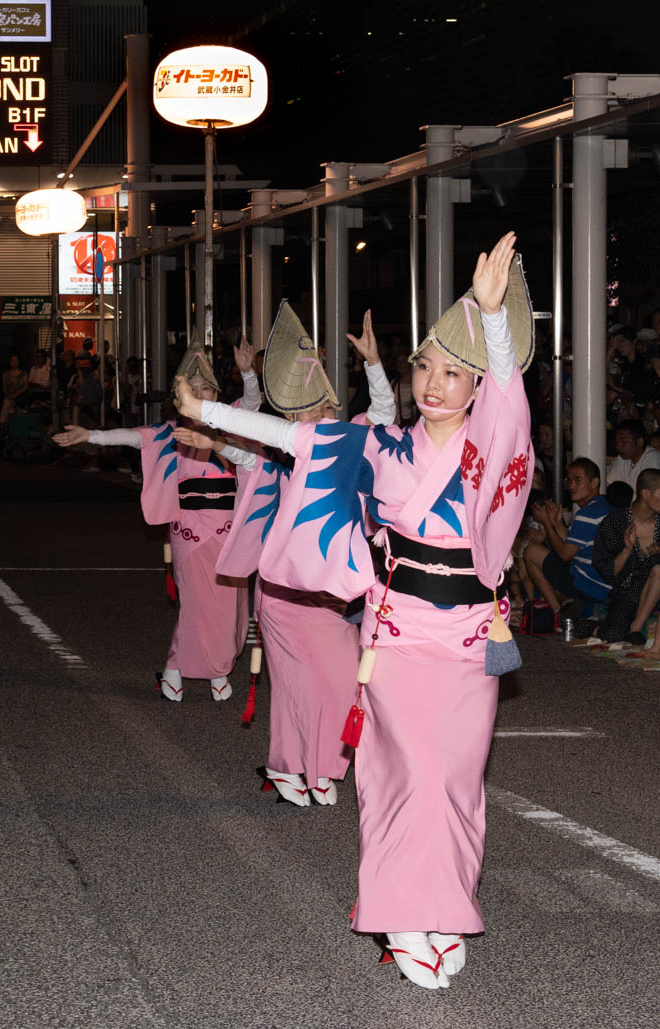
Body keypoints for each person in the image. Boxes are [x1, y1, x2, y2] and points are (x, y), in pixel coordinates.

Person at [175, 233, 534, 990]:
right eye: (426, 368)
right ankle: (404, 912)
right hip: (399, 633)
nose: (434, 384)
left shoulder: (490, 445)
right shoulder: (384, 447)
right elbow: (295, 436)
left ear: (475, 387)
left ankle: (446, 904)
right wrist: (208, 406)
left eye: (453, 373)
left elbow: (511, 397)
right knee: (410, 771)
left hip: (472, 640)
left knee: (460, 779)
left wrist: (494, 321)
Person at [205, 305, 396, 806]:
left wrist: (374, 366)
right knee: (308, 684)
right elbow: (243, 442)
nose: (319, 416)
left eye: (324, 407)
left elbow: (384, 417)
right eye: (306, 410)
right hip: (286, 595)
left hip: (331, 597)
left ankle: (307, 767)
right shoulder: (276, 455)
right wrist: (221, 420)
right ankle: (304, 769)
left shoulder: (350, 444)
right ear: (290, 418)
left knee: (322, 683)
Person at [55, 342, 253, 702]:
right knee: (195, 604)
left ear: (217, 394)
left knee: (231, 607)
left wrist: (249, 373)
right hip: (190, 532)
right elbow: (133, 437)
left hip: (231, 531)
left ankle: (216, 669)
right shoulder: (169, 432)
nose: (199, 395)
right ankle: (180, 669)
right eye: (192, 390)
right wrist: (91, 435)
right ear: (181, 397)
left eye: (206, 389)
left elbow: (252, 405)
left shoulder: (231, 428)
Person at [590, 468, 660, 645]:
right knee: (612, 635)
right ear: (646, 494)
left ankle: (636, 628)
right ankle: (592, 626)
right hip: (628, 592)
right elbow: (608, 572)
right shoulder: (615, 523)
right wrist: (627, 550)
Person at [520, 458, 612, 616]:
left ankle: (557, 612)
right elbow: (574, 545)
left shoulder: (588, 513)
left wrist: (546, 523)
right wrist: (557, 523)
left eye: (578, 480)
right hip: (603, 583)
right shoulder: (602, 506)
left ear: (595, 482)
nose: (572, 486)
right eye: (569, 481)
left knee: (531, 552)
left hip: (590, 583)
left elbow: (565, 554)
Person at [605, 419, 660, 492]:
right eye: (617, 442)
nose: (618, 446)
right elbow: (609, 483)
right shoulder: (622, 458)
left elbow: (651, 496)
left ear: (639, 442)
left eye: (624, 442)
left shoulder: (653, 458)